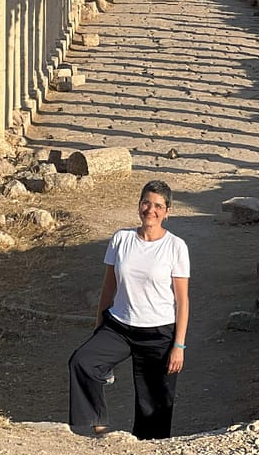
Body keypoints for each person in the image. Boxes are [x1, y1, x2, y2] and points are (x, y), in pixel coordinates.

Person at [68, 180, 190, 439]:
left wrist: (178, 345)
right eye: (146, 203)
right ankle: (100, 428)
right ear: (139, 206)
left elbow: (182, 300)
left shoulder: (176, 246)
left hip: (159, 332)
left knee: (154, 405)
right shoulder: (120, 239)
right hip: (119, 327)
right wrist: (98, 329)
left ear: (167, 212)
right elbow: (108, 289)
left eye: (158, 206)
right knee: (83, 362)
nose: (151, 210)